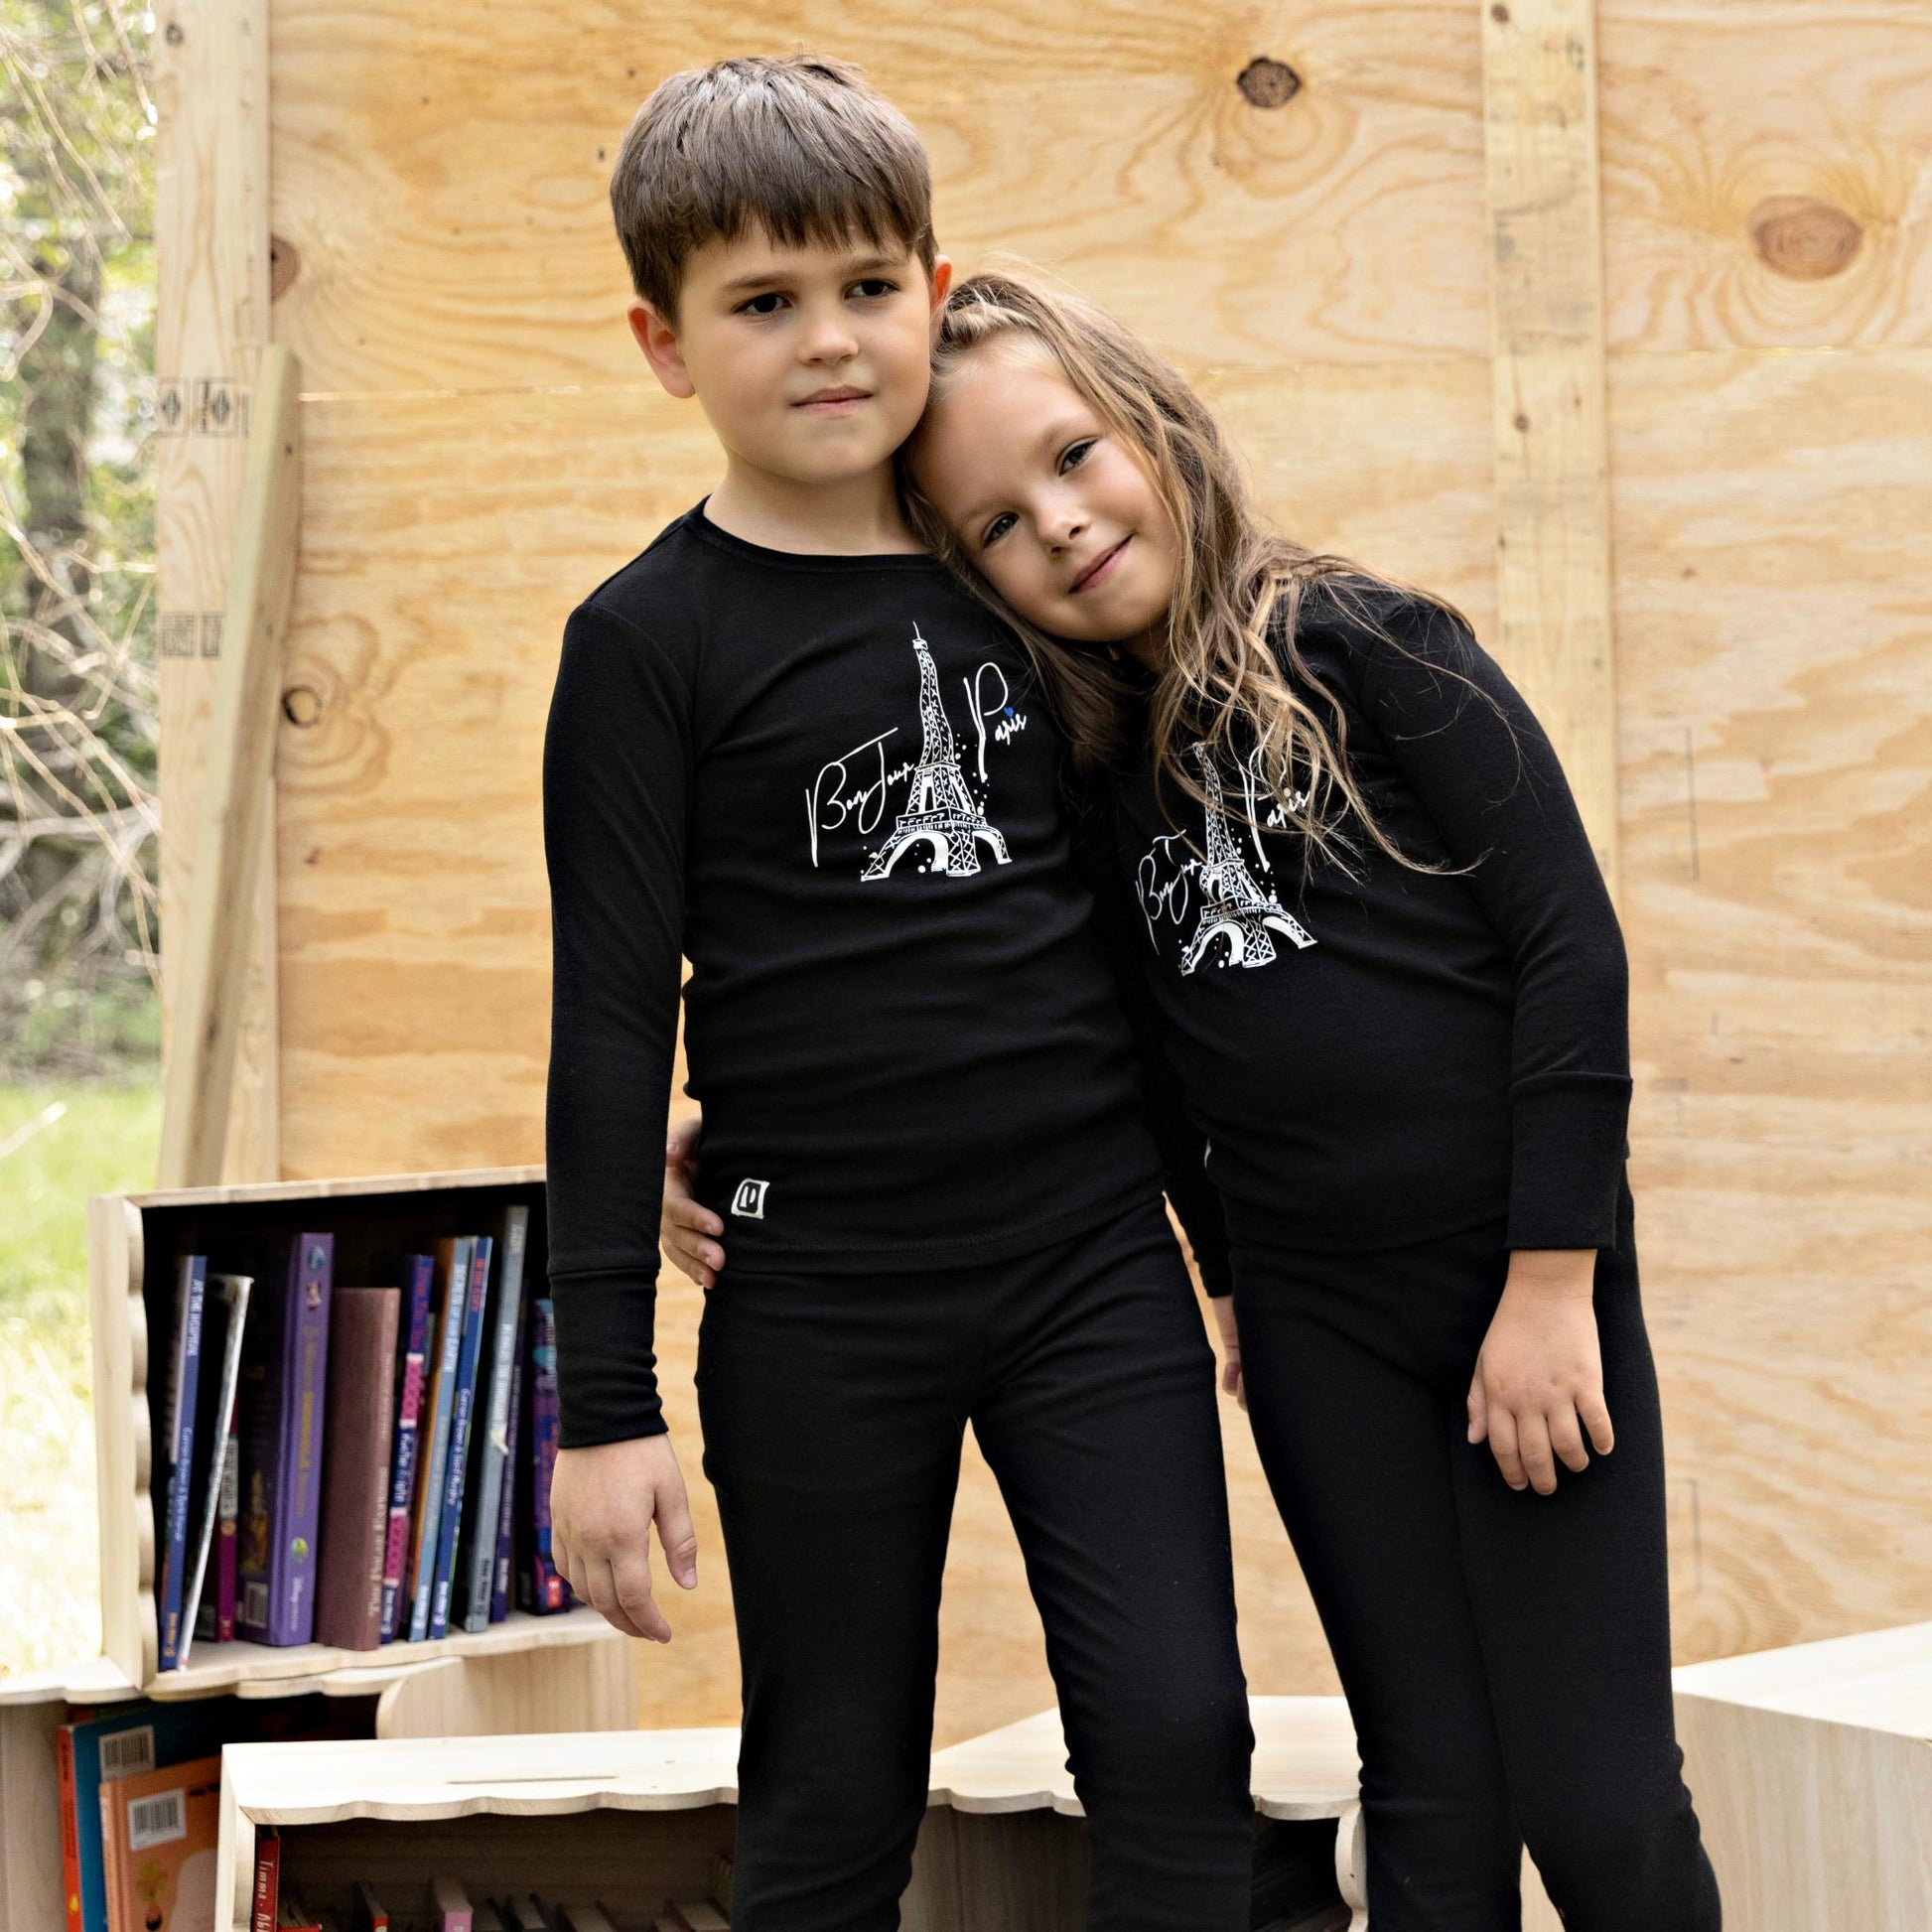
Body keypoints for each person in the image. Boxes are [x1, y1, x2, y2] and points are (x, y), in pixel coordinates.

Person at [664, 268, 1724, 1932]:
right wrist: (742, 1127)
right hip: (1311, 1324)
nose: (1060, 522)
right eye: (997, 525)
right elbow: (1102, 1037)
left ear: (1151, 422)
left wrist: (1548, 1279)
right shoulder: (1089, 767)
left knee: (1594, 1799)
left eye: (1074, 456)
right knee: (1428, 1783)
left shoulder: (1370, 646)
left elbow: (1567, 953)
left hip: (1514, 1288)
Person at [542, 63, 1254, 1932]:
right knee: (832, 1788)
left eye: (867, 287)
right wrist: (602, 1404)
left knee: (1180, 1743)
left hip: (1088, 1267)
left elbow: (1130, 949)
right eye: (761, 302)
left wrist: (1226, 1253)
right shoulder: (644, 642)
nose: (828, 340)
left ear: (933, 295)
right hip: (817, 1304)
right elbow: (609, 1018)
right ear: (664, 344)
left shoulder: (1017, 575)